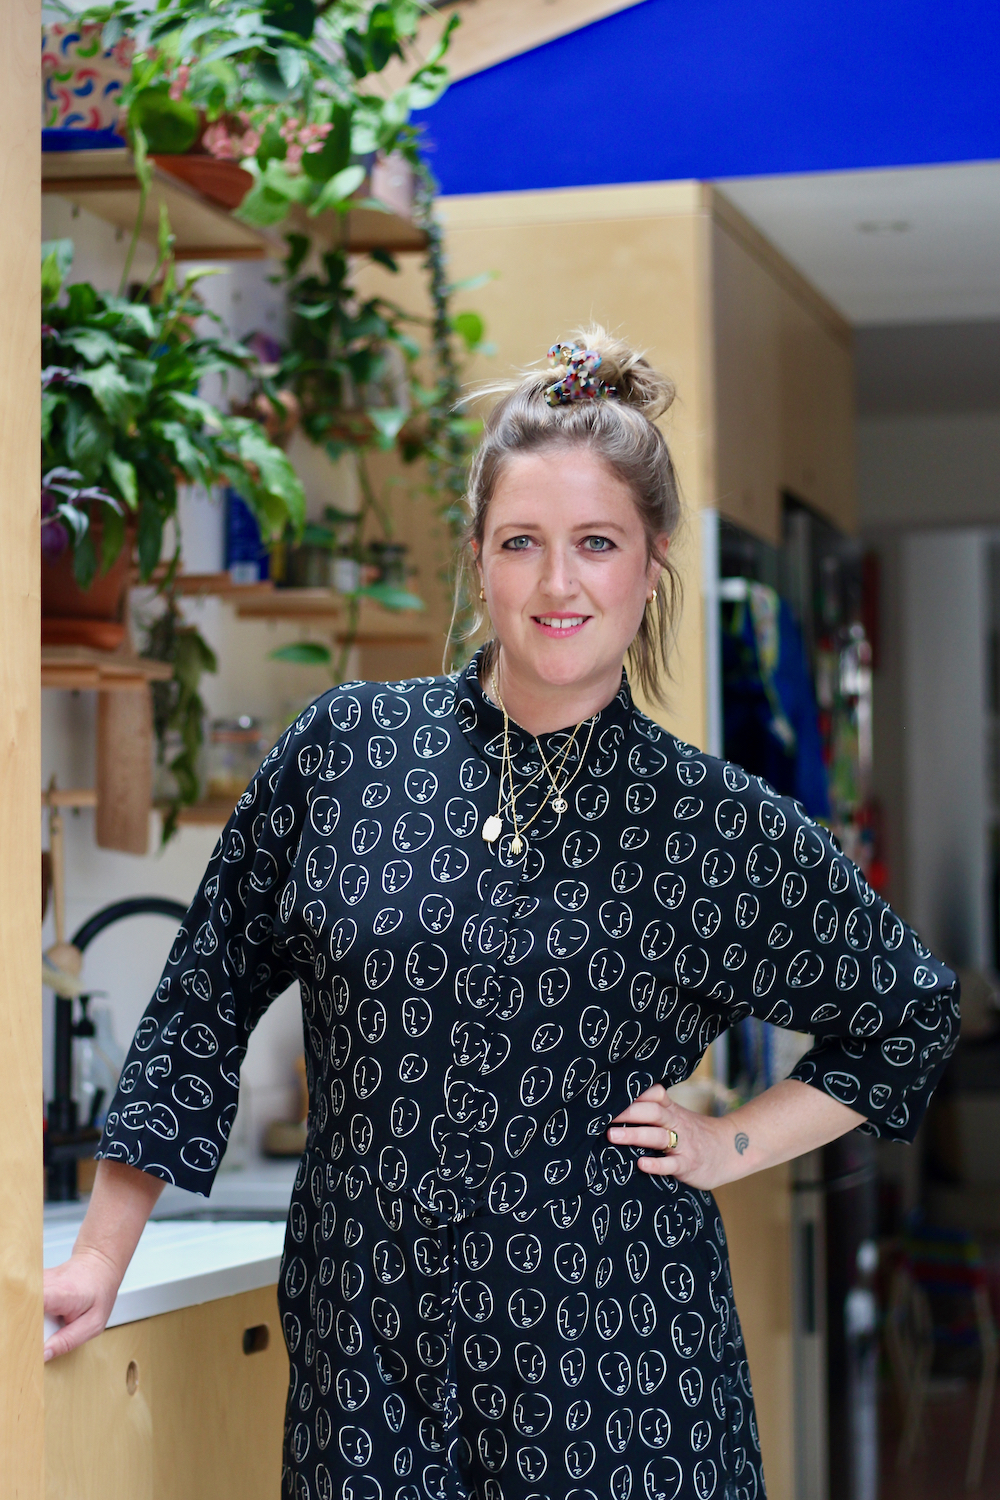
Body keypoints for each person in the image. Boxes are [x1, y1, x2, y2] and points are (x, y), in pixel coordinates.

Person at [45, 329, 958, 1500]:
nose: (558, 583)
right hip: (365, 1378)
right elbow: (200, 1001)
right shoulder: (346, 754)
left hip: (622, 1379)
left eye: (596, 544)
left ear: (652, 562)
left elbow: (907, 1012)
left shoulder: (713, 823)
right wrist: (97, 1258)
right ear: (478, 559)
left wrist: (731, 1145)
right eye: (522, 543)